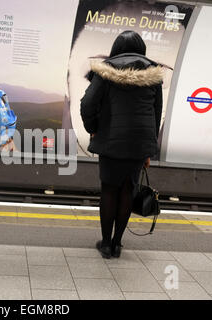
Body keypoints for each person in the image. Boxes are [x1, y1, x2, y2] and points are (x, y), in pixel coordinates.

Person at [80, 30, 163, 259]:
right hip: (138, 145)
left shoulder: (104, 73)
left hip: (110, 142)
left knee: (109, 190)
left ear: (115, 49)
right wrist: (148, 148)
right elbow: (156, 114)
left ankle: (106, 244)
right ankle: (117, 244)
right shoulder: (153, 75)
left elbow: (87, 104)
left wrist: (94, 128)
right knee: (128, 190)